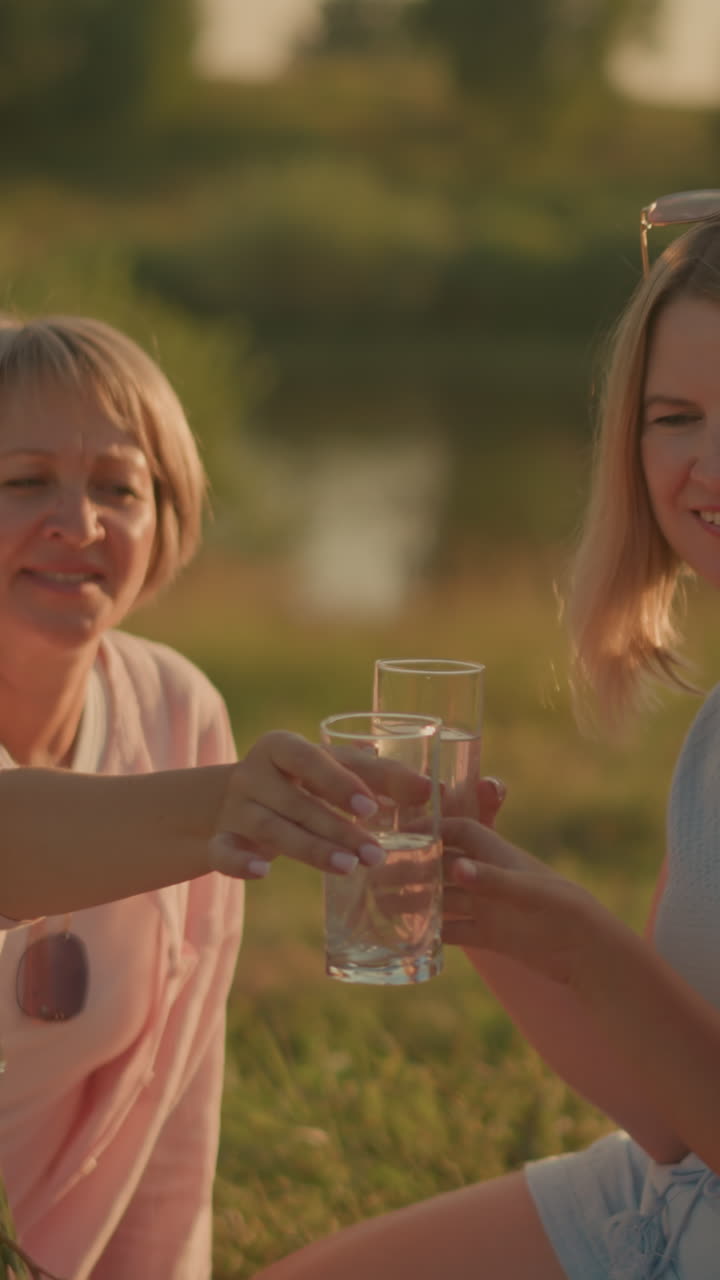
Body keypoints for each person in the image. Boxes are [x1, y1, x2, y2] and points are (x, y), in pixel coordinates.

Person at [253, 197, 720, 1280]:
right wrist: (476, 903)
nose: (706, 463)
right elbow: (667, 1113)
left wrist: (591, 948)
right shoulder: (713, 736)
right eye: (675, 416)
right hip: (667, 1201)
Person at [0, 311, 409, 1280]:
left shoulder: (177, 710)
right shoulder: (212, 785)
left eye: (118, 487)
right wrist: (228, 802)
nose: (81, 523)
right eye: (22, 480)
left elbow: (171, 1109)